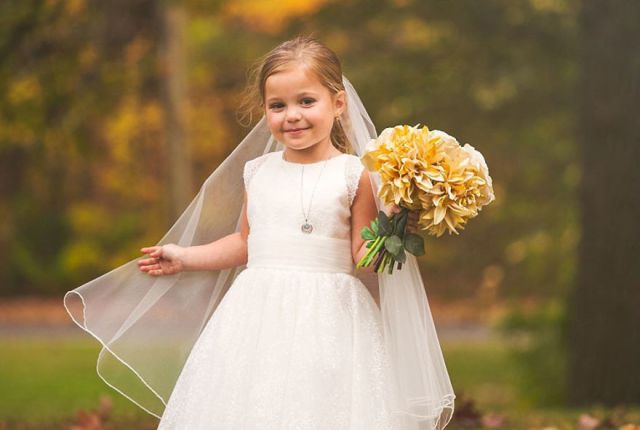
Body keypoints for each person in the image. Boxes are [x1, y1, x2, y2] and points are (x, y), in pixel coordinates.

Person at [64, 35, 455, 430]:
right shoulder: (261, 171)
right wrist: (185, 257)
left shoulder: (354, 174)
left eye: (306, 101)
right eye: (277, 106)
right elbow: (245, 243)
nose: (292, 115)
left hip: (331, 317)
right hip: (256, 314)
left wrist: (395, 222)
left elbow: (363, 258)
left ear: (337, 104)